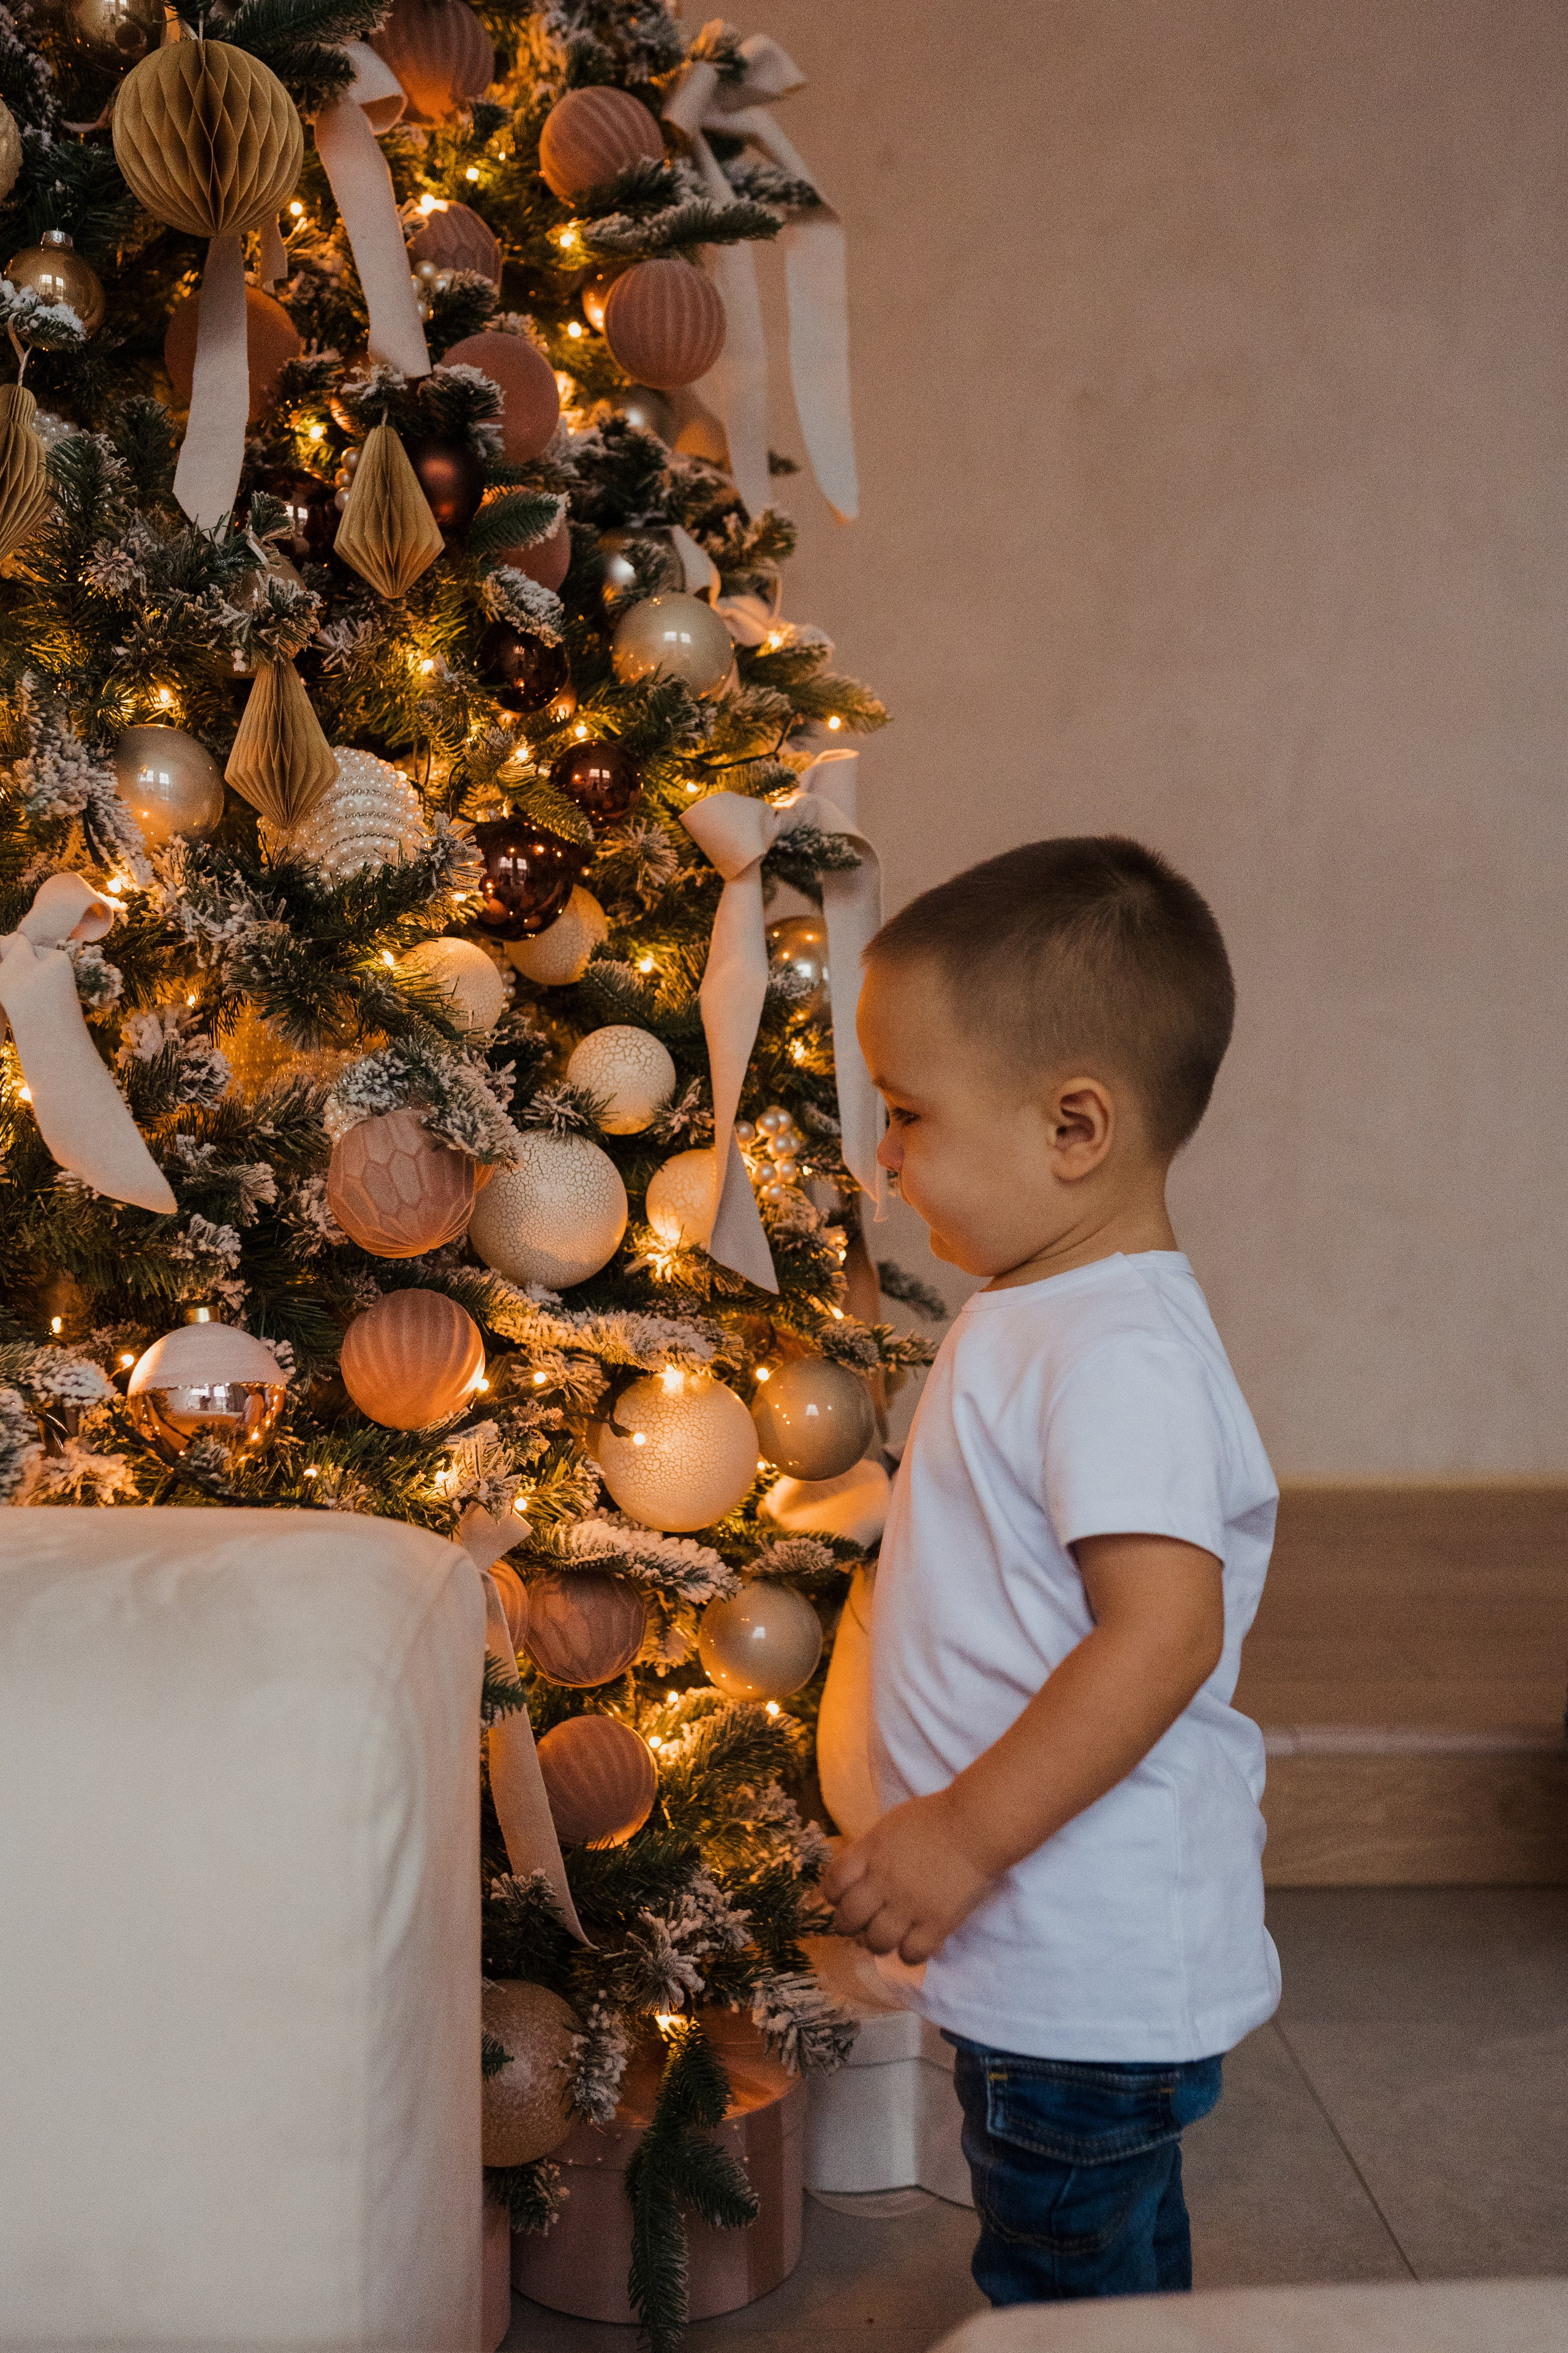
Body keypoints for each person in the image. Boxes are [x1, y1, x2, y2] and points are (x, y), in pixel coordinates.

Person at [822, 836, 1279, 2306]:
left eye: (906, 1115)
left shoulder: (1119, 1352)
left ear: (1072, 1125)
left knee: (1058, 2285)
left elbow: (1157, 1638)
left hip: (1082, 1973)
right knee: (1113, 2272)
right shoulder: (1044, 1304)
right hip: (1053, 1961)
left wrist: (955, 1835)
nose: (883, 1157)